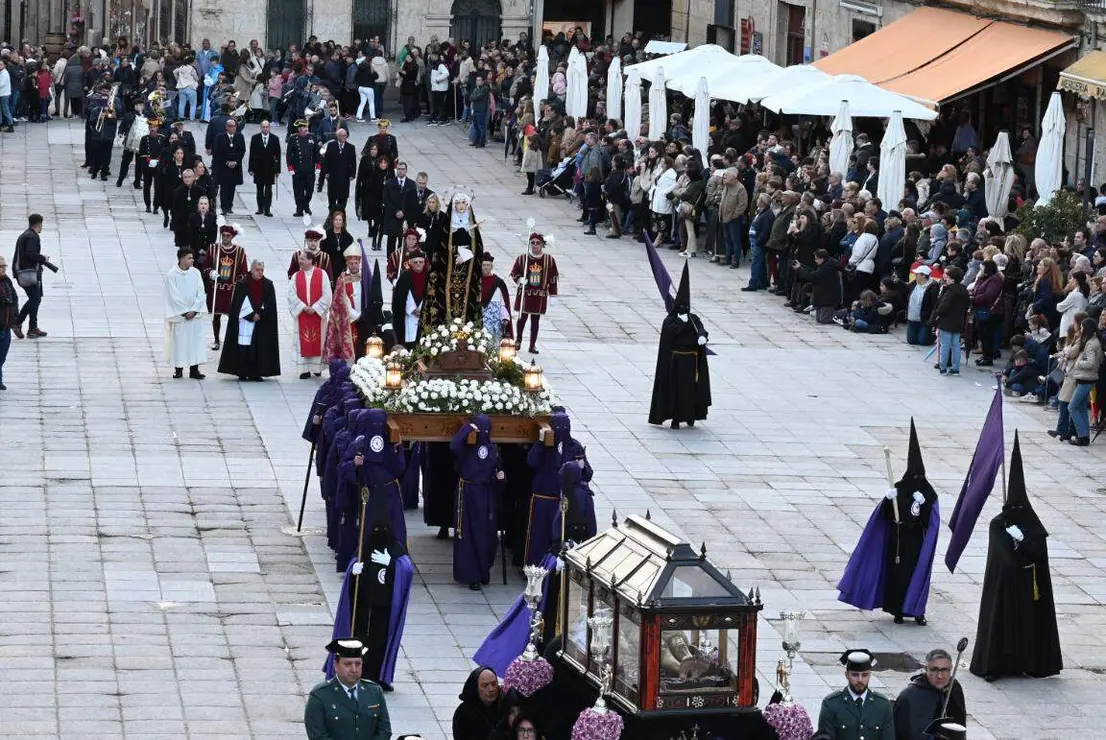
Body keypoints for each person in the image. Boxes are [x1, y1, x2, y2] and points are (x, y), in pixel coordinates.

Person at [970, 433, 1062, 680]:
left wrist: (1024, 542)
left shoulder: (1032, 523)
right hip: (1005, 590)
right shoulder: (998, 524)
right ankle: (996, 666)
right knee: (1002, 628)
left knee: (1027, 630)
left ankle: (1028, 663)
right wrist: (1013, 545)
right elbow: (1001, 557)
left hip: (1028, 591)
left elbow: (1039, 551)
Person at [838, 420, 939, 625]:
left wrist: (922, 505)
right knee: (897, 578)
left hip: (917, 544)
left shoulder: (928, 493)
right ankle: (898, 611)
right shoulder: (899, 489)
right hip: (897, 542)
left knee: (916, 576)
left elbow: (931, 521)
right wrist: (887, 499)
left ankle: (917, 611)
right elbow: (885, 515)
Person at [328, 469, 414, 692]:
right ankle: (358, 674)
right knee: (361, 641)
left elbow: (406, 570)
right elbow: (353, 569)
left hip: (384, 609)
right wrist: (353, 572)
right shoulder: (365, 549)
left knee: (379, 644)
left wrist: (391, 564)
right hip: (364, 607)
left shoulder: (395, 550)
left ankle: (378, 676)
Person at [648, 263, 711, 429]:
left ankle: (690, 416)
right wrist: (681, 323)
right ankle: (675, 417)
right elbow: (669, 335)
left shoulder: (693, 318)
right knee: (676, 391)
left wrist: (702, 336)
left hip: (692, 361)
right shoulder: (670, 321)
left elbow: (701, 328)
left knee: (691, 390)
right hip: (676, 361)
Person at [420, 192, 485, 334]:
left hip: (467, 273)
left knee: (467, 303)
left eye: (463, 203)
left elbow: (479, 249)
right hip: (447, 272)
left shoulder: (471, 224)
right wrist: (457, 250)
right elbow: (440, 247)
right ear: (453, 205)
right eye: (458, 203)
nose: (461, 206)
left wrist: (467, 254)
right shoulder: (447, 224)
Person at [451, 415, 504, 591]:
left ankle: (484, 571)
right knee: (467, 533)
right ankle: (472, 574)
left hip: (485, 495)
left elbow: (499, 473)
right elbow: (454, 446)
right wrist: (468, 428)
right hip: (467, 494)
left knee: (486, 534)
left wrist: (500, 478)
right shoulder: (467, 447)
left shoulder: (493, 450)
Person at [305, 638, 391, 740]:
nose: (354, 670)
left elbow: (384, 731)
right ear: (336, 665)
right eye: (348, 664)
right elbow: (317, 736)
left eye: (358, 664)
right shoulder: (320, 695)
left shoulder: (374, 691)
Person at [217, 259, 280, 381]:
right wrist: (251, 315)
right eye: (257, 270)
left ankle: (256, 372)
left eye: (262, 270)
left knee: (258, 347)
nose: (260, 272)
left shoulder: (268, 285)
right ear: (251, 270)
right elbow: (238, 304)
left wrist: (260, 314)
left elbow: (270, 304)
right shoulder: (242, 284)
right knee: (243, 346)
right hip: (244, 321)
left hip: (261, 321)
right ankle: (242, 371)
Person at [817, 649, 895, 740]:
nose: (860, 680)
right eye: (855, 675)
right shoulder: (831, 704)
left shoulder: (882, 705)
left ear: (870, 675)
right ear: (847, 675)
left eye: (865, 675)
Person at [892, 648, 966, 740]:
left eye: (944, 670)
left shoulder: (954, 688)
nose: (939, 675)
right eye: (934, 670)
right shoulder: (910, 696)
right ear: (926, 669)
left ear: (950, 669)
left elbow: (959, 723)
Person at [510, 232, 558, 354]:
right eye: (533, 243)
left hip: (539, 295)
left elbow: (553, 279)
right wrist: (520, 279)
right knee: (522, 318)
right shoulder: (523, 259)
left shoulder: (549, 260)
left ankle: (532, 345)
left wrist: (553, 295)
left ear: (542, 245)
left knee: (535, 320)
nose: (535, 245)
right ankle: (518, 340)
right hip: (525, 294)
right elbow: (515, 272)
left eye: (538, 243)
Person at [202, 224, 248, 351]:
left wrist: (239, 282)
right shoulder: (213, 249)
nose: (225, 238)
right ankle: (216, 339)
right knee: (216, 315)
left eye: (228, 236)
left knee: (232, 316)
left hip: (231, 290)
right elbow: (205, 266)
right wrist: (211, 273)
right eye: (223, 236)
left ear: (232, 237)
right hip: (216, 288)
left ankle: (231, 340)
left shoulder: (239, 251)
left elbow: (244, 272)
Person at [164, 247, 208, 380]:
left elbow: (201, 291)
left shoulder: (196, 273)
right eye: (189, 258)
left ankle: (194, 369)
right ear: (181, 259)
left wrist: (194, 309)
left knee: (195, 342)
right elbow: (173, 296)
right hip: (181, 316)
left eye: (192, 257)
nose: (192, 260)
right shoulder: (171, 275)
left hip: (194, 315)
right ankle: (179, 369)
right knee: (180, 343)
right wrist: (184, 312)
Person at [289, 250, 334, 379]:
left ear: (310, 260)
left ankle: (317, 368)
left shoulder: (322, 274)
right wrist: (303, 307)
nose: (300, 261)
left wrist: (315, 308)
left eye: (302, 259)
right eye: (300, 259)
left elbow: (327, 294)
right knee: (303, 341)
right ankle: (304, 370)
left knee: (318, 341)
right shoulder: (296, 276)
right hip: (302, 314)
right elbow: (291, 295)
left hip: (317, 316)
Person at [12, 213, 54, 339]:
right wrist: (43, 258)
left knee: (36, 298)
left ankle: (33, 328)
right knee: (35, 299)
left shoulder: (26, 234)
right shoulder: (32, 237)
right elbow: (31, 254)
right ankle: (17, 322)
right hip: (28, 273)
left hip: (28, 272)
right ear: (39, 224)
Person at [324, 245, 364, 363]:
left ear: (359, 263)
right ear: (347, 263)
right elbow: (341, 299)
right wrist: (354, 315)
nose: (353, 265)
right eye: (351, 263)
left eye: (356, 263)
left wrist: (363, 313)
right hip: (348, 318)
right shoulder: (342, 278)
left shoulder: (364, 277)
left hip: (363, 316)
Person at [930, 265, 969, 376]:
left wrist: (936, 316)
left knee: (945, 345)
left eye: (948, 277)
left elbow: (943, 307)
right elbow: (967, 305)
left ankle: (943, 368)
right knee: (956, 345)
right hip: (958, 321)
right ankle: (955, 368)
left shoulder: (949, 291)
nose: (945, 278)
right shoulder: (964, 290)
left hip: (946, 321)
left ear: (952, 279)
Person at [452, 666, 501, 740]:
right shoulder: (464, 713)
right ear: (475, 688)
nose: (491, 689)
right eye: (485, 685)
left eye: (494, 684)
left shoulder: (503, 705)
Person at [391, 248, 427, 348]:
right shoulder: (404, 277)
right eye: (415, 262)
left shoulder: (429, 277)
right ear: (410, 263)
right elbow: (398, 299)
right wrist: (411, 310)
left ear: (424, 263)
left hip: (424, 318)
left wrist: (424, 311)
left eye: (421, 262)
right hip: (408, 318)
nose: (418, 264)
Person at [211, 117, 246, 214]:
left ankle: (229, 206)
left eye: (234, 126)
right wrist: (226, 162)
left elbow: (242, 150)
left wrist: (236, 162)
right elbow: (217, 152)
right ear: (227, 127)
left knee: (232, 187)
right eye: (230, 126)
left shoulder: (240, 137)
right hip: (223, 166)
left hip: (235, 166)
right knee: (224, 187)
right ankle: (224, 207)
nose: (233, 128)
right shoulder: (220, 137)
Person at [247, 118, 280, 217]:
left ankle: (267, 209)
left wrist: (277, 170)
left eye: (267, 127)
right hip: (258, 167)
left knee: (268, 189)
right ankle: (260, 208)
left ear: (269, 128)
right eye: (263, 127)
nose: (265, 129)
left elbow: (278, 155)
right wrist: (251, 168)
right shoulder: (255, 138)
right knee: (259, 188)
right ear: (260, 128)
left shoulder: (275, 138)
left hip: (270, 167)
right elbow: (252, 154)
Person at [381, 161, 415, 256]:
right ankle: (390, 259)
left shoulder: (411, 184)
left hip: (405, 218)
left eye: (402, 169)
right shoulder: (389, 183)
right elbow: (386, 200)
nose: (400, 171)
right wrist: (396, 211)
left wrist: (403, 212)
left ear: (406, 170)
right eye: (399, 169)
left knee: (403, 240)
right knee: (391, 241)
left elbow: (412, 202)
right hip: (392, 217)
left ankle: (401, 259)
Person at [288, 119, 320, 217]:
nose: (305, 129)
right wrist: (290, 168)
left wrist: (318, 165)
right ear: (299, 128)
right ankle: (299, 209)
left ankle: (306, 205)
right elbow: (289, 154)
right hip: (298, 169)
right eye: (303, 127)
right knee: (298, 190)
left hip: (310, 169)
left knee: (310, 190)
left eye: (306, 127)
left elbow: (316, 153)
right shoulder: (293, 138)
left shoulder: (312, 137)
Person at [323, 127, 358, 212]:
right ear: (337, 136)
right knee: (332, 196)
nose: (344, 137)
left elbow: (353, 162)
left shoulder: (351, 147)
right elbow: (326, 160)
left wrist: (353, 174)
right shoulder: (331, 145)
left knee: (343, 197)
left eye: (345, 135)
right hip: (333, 176)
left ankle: (340, 212)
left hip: (344, 177)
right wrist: (326, 172)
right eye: (341, 136)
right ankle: (332, 212)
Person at [481, 253, 512, 343]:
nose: (486, 267)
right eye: (483, 265)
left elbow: (504, 302)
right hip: (481, 317)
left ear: (491, 266)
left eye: (488, 265)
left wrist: (505, 316)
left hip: (495, 318)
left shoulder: (498, 282)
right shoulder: (476, 281)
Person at [905, 266, 938, 345]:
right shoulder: (914, 284)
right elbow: (905, 288)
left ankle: (933, 336)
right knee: (911, 341)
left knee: (923, 341)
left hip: (924, 320)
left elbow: (934, 305)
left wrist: (931, 320)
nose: (915, 275)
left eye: (917, 274)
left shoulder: (933, 287)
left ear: (923, 275)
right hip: (912, 318)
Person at [0, 254, 18, 390]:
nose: (3, 269)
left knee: (3, 355)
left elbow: (14, 297)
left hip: (6, 326)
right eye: (1, 267)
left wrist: (15, 317)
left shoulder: (6, 281)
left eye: (4, 266)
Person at [188, 196, 218, 264]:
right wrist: (198, 249)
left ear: (208, 205)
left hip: (207, 248)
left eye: (205, 204)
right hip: (195, 248)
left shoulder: (213, 217)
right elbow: (191, 234)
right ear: (198, 205)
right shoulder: (193, 216)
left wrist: (207, 249)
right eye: (201, 204)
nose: (203, 206)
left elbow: (213, 234)